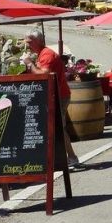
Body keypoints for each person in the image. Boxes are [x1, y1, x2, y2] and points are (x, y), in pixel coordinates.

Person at [23, 28, 82, 169]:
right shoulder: (42, 54)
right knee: (56, 128)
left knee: (58, 128)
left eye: (30, 42)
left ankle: (70, 158)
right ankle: (63, 158)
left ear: (38, 41)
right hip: (56, 95)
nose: (28, 45)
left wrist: (29, 63)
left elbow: (44, 76)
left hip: (58, 95)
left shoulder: (47, 55)